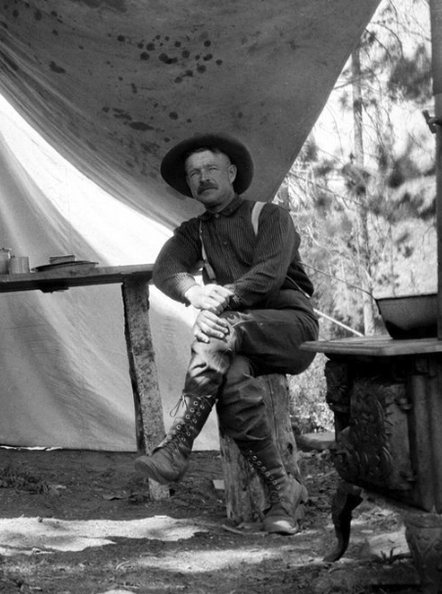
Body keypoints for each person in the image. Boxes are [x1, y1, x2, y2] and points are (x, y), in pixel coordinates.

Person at [135, 132, 318, 535]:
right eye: (194, 173)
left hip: (290, 327)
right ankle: (284, 493)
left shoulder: (269, 216)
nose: (203, 178)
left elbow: (268, 279)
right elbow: (165, 270)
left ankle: (179, 442)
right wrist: (195, 292)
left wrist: (219, 302)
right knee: (233, 384)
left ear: (231, 173)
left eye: (211, 169)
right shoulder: (193, 232)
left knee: (218, 328)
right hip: (238, 339)